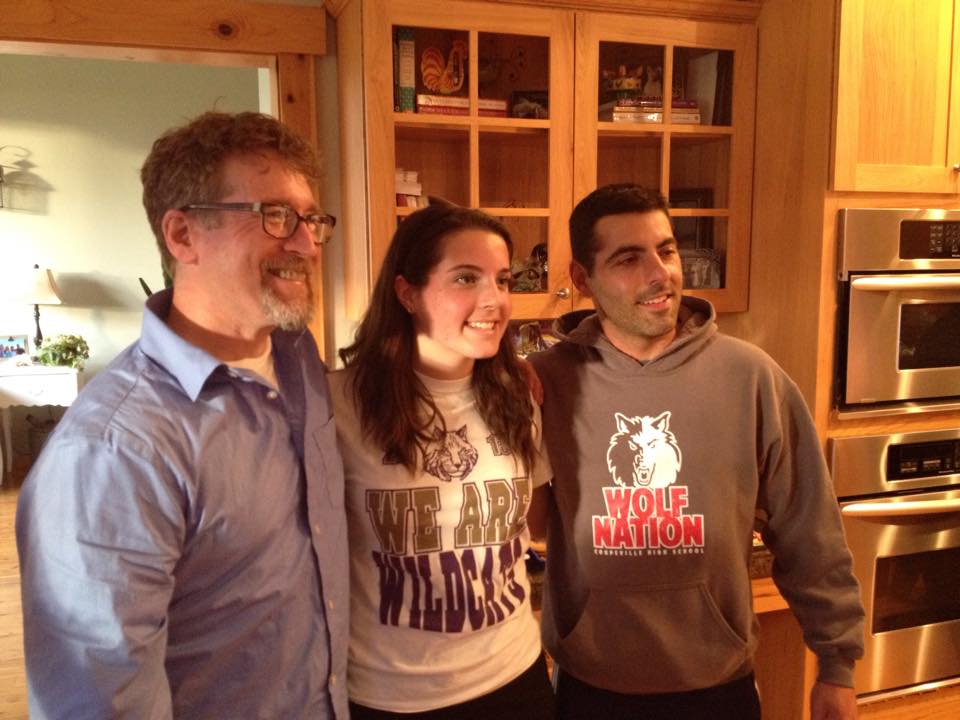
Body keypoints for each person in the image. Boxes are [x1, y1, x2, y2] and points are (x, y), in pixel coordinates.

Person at [16, 112, 348, 719]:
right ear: (182, 235)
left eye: (310, 220)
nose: (305, 243)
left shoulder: (298, 359)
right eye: (275, 215)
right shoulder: (112, 451)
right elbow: (100, 701)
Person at [528, 184, 865, 720]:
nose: (659, 273)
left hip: (718, 686)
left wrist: (836, 664)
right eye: (628, 259)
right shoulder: (544, 384)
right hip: (588, 686)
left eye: (666, 250)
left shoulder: (750, 377)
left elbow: (810, 528)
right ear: (582, 279)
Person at [329, 201, 555, 719]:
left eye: (503, 280)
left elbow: (536, 523)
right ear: (407, 292)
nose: (494, 300)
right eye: (466, 278)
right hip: (390, 695)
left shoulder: (518, 396)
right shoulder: (337, 405)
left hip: (515, 678)